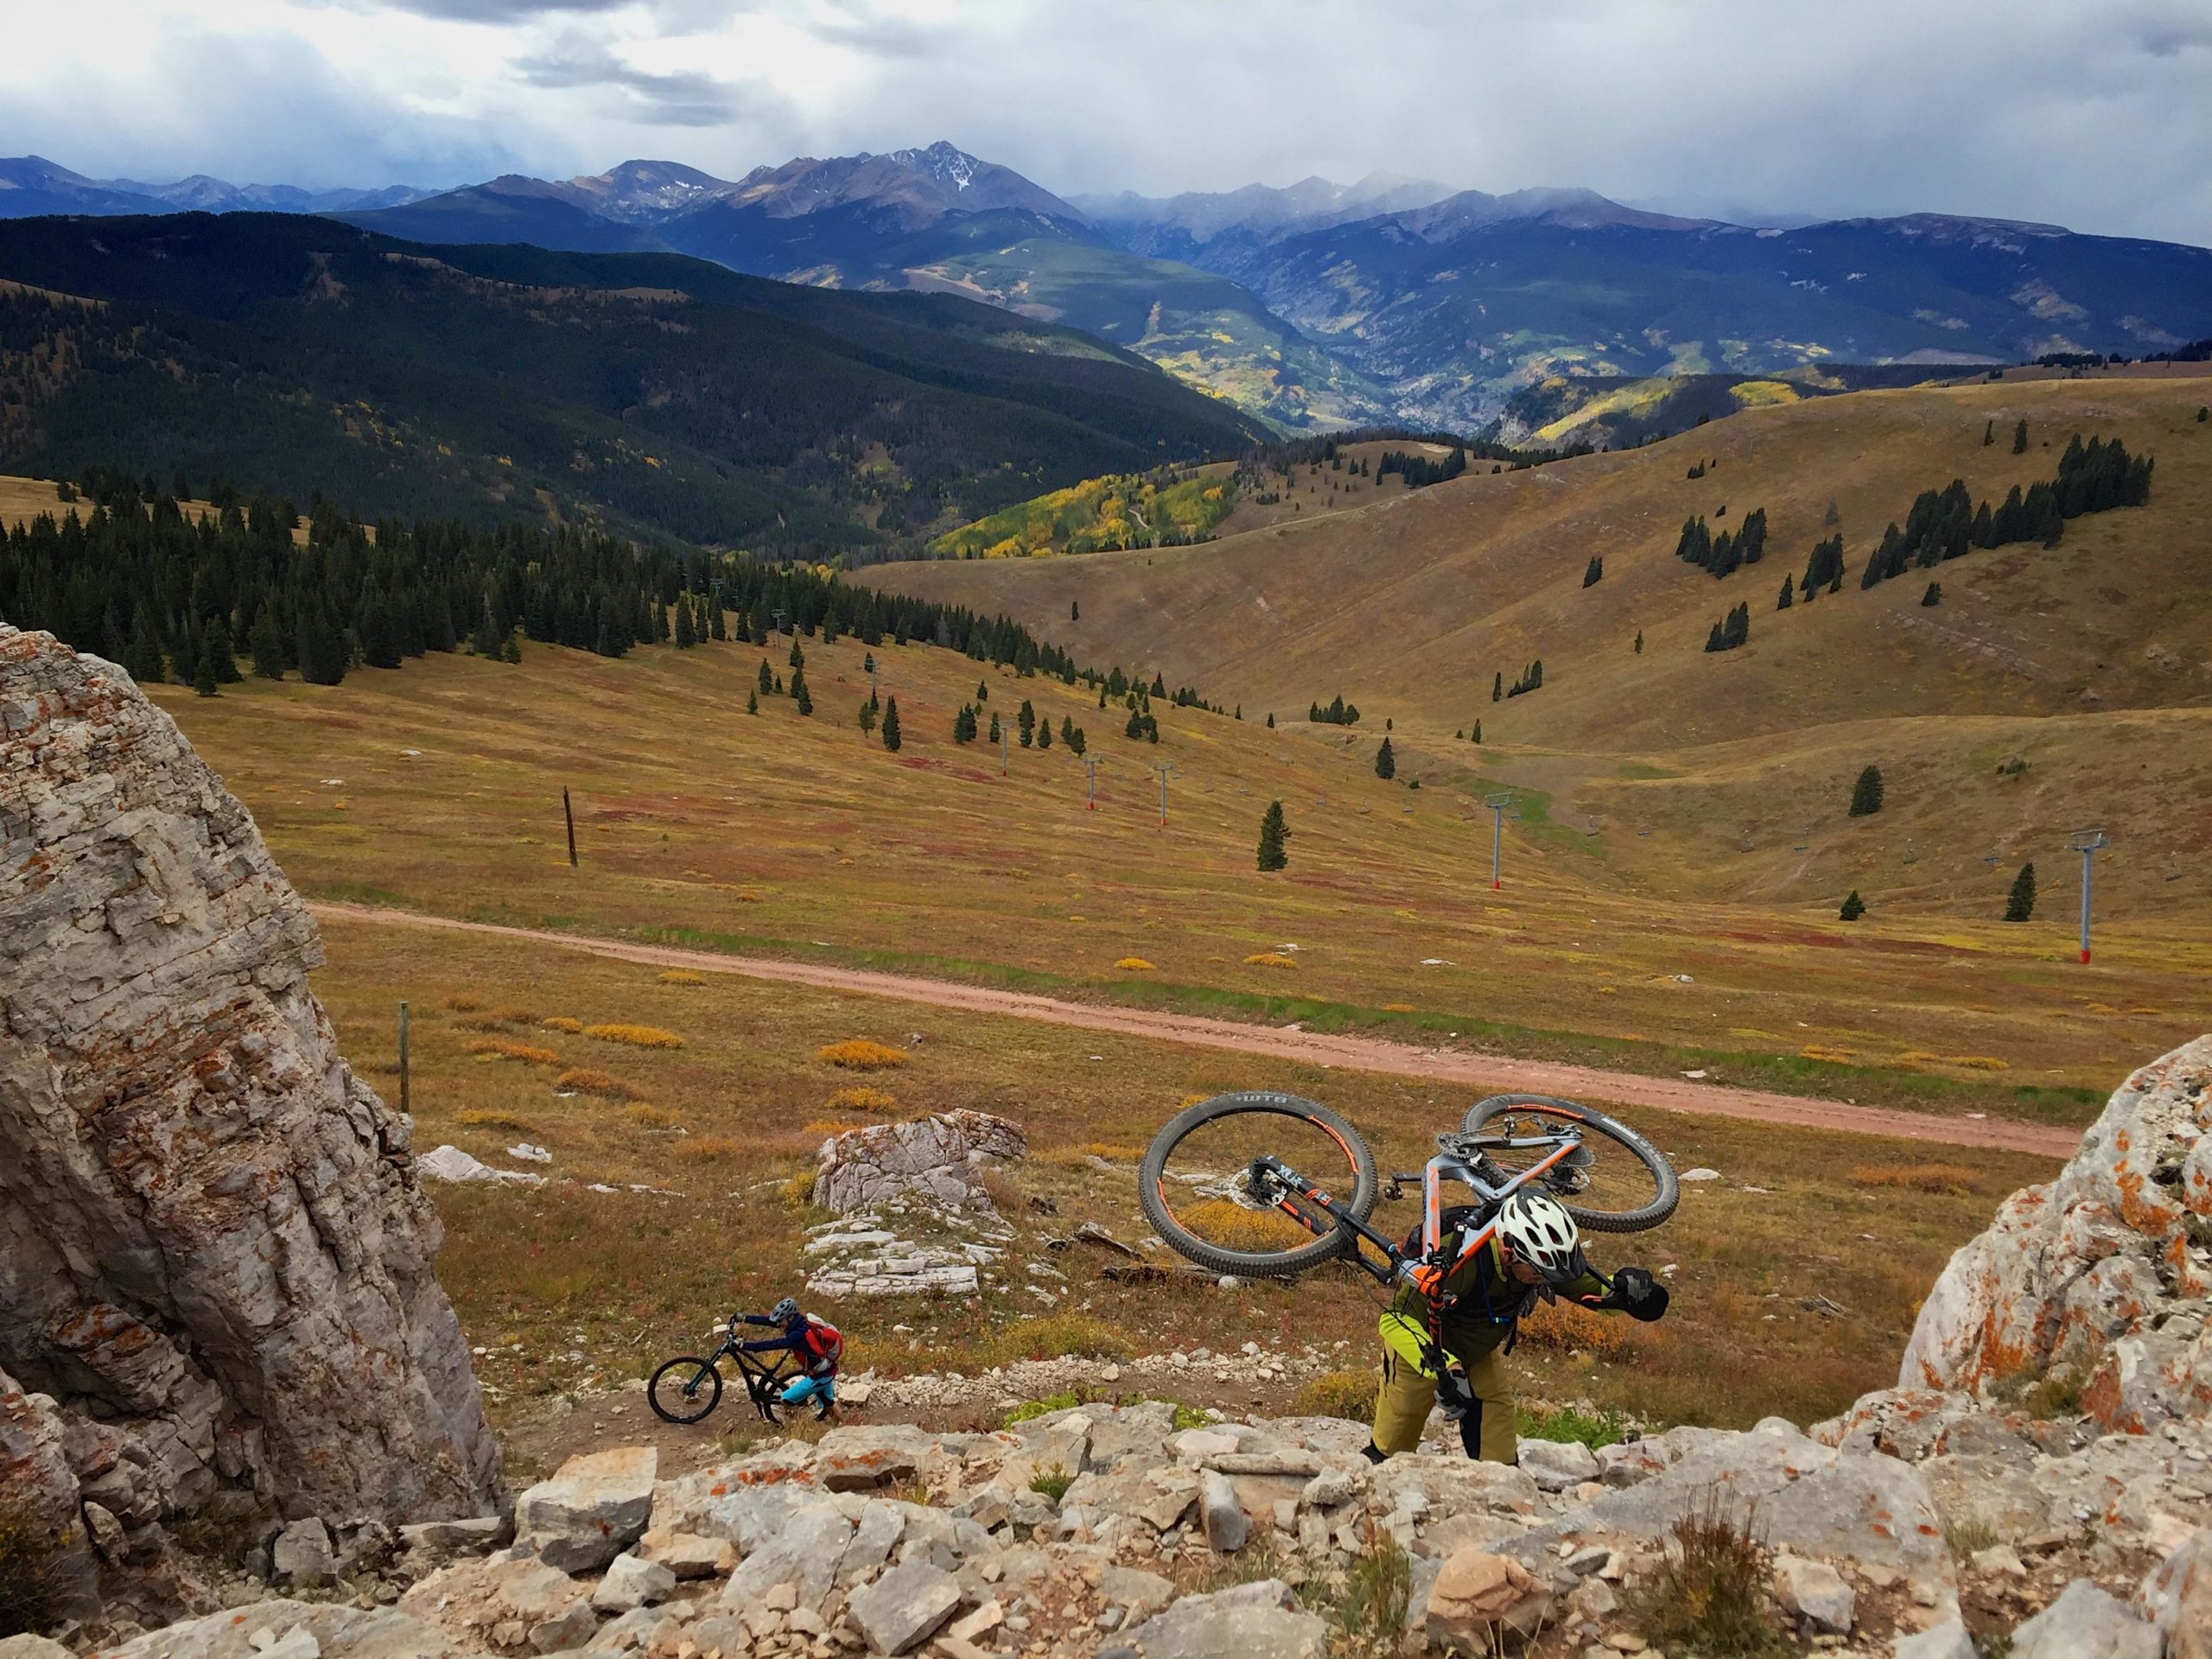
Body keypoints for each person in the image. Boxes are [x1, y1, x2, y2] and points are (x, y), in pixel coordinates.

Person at [1363, 1188, 1667, 1465]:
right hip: (1421, 1347)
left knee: (1496, 1420)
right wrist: (1446, 1369)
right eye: (1537, 1272)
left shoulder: (1542, 1261)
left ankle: (1498, 1492)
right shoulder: (1459, 1261)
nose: (1544, 1279)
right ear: (1508, 1251)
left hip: (1477, 1349)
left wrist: (1635, 1297)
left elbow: (1593, 1293)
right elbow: (1395, 1319)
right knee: (1393, 1446)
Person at [739, 1297, 844, 1420]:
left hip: (820, 1375)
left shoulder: (798, 1335)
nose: (778, 1325)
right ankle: (842, 1424)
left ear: (790, 1317)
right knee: (828, 1402)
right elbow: (771, 1321)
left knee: (786, 1400)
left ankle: (799, 1425)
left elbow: (773, 1344)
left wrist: (744, 1345)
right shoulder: (799, 1322)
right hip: (826, 1369)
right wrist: (744, 1318)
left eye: (781, 1322)